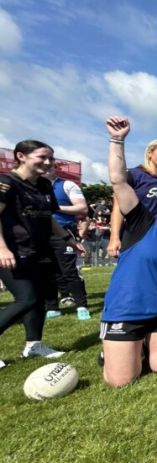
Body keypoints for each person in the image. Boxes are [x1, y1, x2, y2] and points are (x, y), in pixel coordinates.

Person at [100, 117, 157, 386]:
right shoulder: (141, 223)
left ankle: (137, 347)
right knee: (121, 381)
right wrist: (117, 140)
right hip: (126, 310)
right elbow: (118, 181)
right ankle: (113, 348)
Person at [0, 140, 80, 367]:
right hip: (13, 251)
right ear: (21, 156)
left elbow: (48, 217)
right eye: (42, 157)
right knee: (27, 299)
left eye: (51, 158)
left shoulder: (44, 185)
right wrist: (2, 249)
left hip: (40, 250)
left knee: (40, 300)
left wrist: (68, 238)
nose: (48, 162)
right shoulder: (6, 183)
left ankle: (33, 345)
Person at [106, 135, 157, 257]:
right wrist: (114, 237)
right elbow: (118, 209)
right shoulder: (133, 175)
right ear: (149, 153)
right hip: (136, 233)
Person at [44, 163, 90, 321]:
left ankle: (81, 305)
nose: (44, 169)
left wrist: (54, 208)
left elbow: (82, 209)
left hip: (63, 232)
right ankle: (52, 307)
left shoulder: (67, 185)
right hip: (39, 235)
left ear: (54, 168)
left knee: (70, 271)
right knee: (48, 272)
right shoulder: (30, 188)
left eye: (49, 166)